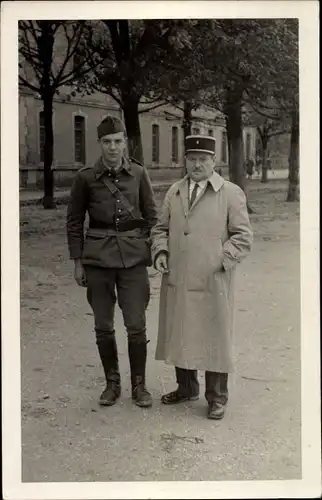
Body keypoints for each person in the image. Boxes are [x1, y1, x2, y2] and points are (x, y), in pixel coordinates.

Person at [151, 134, 253, 420]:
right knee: (181, 330)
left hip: (213, 280)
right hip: (179, 278)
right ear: (185, 160)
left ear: (214, 162)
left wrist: (221, 260)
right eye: (192, 159)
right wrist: (160, 252)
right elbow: (160, 228)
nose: (197, 165)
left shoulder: (230, 193)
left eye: (203, 160)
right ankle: (186, 388)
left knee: (214, 336)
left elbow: (243, 237)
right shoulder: (175, 191)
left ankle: (217, 398)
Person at [67, 115, 158, 408]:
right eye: (107, 142)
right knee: (103, 325)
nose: (112, 148)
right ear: (100, 144)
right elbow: (74, 221)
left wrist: (153, 249)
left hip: (132, 260)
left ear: (125, 143)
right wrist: (78, 261)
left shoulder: (139, 174)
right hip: (97, 261)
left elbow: (152, 216)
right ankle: (112, 384)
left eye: (118, 141)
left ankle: (139, 386)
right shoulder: (85, 178)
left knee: (136, 324)